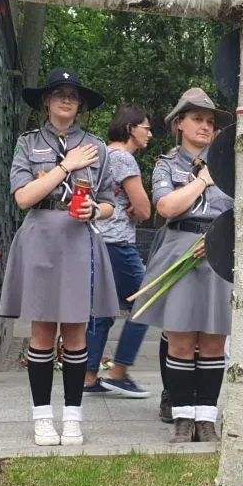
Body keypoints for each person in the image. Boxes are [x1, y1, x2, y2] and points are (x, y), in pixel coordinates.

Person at [0, 68, 119, 446]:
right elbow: (23, 197)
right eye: (58, 93)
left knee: (76, 331)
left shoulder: (97, 147)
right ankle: (41, 418)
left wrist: (94, 210)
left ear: (80, 104)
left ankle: (72, 417)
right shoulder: (27, 143)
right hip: (41, 238)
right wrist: (66, 166)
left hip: (79, 240)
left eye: (73, 95)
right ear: (46, 101)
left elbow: (110, 203)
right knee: (42, 332)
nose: (66, 99)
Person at [131, 87, 233, 443]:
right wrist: (203, 180)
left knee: (214, 341)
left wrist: (219, 240)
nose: (205, 126)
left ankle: (206, 419)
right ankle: (182, 418)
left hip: (218, 253)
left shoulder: (229, 165)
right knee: (180, 340)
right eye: (197, 119)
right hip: (179, 249)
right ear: (179, 124)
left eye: (210, 122)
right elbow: (166, 207)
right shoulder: (167, 164)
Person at [83, 104, 154, 398]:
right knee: (146, 301)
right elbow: (145, 210)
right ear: (130, 129)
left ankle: (88, 378)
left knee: (101, 311)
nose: (150, 134)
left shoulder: (102, 154)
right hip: (118, 243)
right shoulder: (124, 158)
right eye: (146, 128)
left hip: (96, 240)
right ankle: (119, 372)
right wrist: (138, 210)